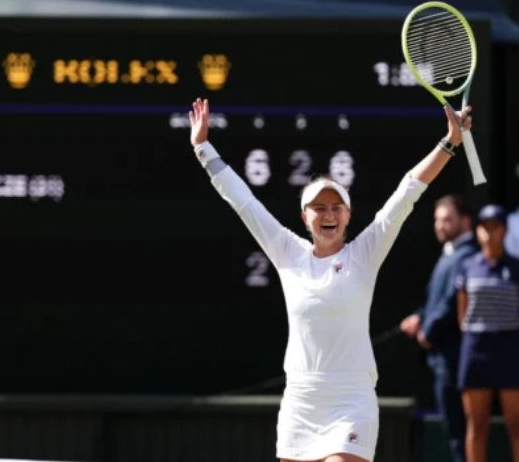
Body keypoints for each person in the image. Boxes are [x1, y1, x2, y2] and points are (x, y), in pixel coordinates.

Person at [188, 97, 473, 462]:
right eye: (318, 208)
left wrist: (449, 143)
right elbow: (243, 201)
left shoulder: (365, 252)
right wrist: (202, 147)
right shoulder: (287, 251)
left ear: (348, 215)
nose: (328, 214)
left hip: (351, 400)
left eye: (335, 207)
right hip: (300, 402)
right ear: (305, 217)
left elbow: (408, 191)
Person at [400, 194, 478, 462]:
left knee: (461, 431)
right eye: (437, 220)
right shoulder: (450, 254)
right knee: (455, 430)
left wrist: (427, 332)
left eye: (447, 220)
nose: (440, 226)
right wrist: (420, 317)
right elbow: (435, 299)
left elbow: (451, 303)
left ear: (465, 221)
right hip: (443, 359)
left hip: (454, 359)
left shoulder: (467, 256)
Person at [456, 204, 519, 462]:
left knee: (516, 426)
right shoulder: (467, 267)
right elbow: (462, 313)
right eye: (484, 227)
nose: (489, 233)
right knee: (477, 424)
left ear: (505, 230)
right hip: (475, 349)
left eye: (495, 227)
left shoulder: (516, 269)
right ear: (477, 230)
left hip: (509, 348)